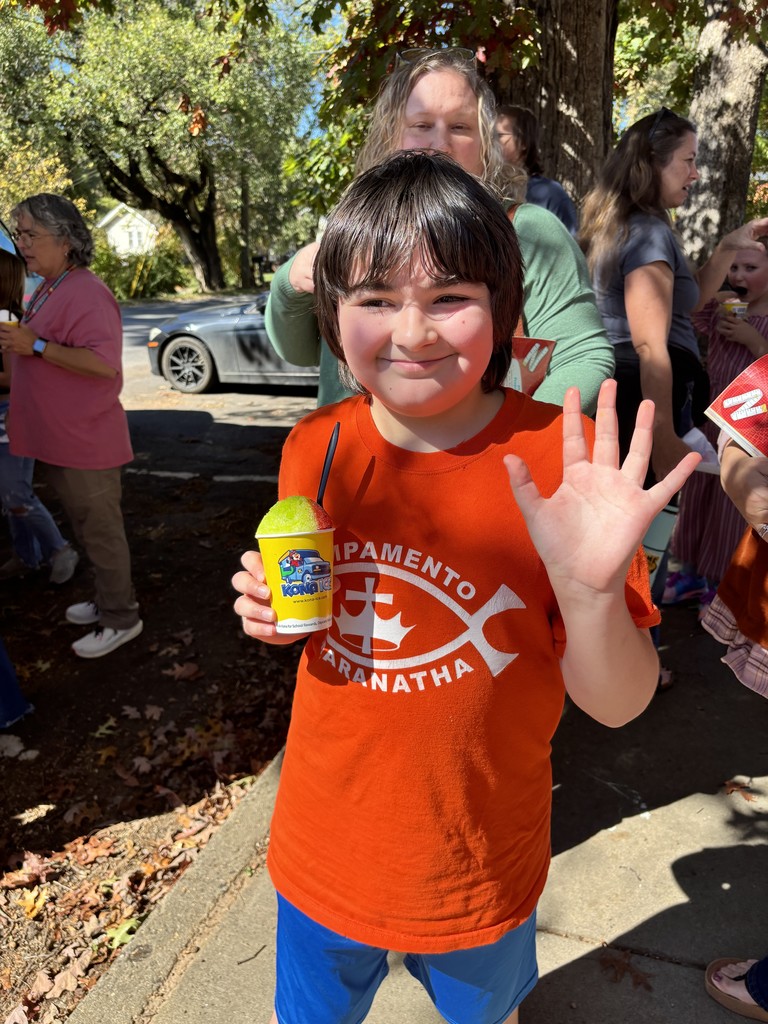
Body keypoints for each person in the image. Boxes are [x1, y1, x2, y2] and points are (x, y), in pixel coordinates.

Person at [232, 151, 699, 1024]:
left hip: (476, 866)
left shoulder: (558, 461)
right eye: (374, 299)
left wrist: (595, 596)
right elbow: (319, 613)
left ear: (503, 312)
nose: (412, 333)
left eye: (449, 297)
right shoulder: (315, 445)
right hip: (321, 851)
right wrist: (275, 615)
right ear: (335, 318)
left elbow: (620, 705)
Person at [266, 47, 613, 414]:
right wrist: (289, 284)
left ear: (485, 145)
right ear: (389, 135)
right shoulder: (353, 229)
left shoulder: (526, 231)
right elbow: (298, 351)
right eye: (421, 125)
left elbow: (583, 356)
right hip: (353, 464)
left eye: (460, 127)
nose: (440, 143)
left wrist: (514, 444)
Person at [0, 193, 142, 659]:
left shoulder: (85, 290)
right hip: (62, 439)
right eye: (19, 233)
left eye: (29, 235)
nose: (21, 243)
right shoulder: (49, 284)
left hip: (87, 441)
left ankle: (123, 618)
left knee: (101, 534)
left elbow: (104, 365)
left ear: (64, 240)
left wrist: (35, 346)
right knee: (87, 530)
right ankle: (106, 602)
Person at [665, 243, 768, 615]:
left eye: (750, 267)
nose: (739, 276)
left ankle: (718, 581)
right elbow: (690, 308)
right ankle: (688, 574)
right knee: (697, 494)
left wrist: (753, 340)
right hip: (712, 417)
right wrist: (715, 288)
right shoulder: (723, 307)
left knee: (729, 504)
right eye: (734, 267)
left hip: (749, 427)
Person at [0, 248, 78, 583]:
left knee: (15, 491)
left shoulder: (7, 319)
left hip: (11, 414)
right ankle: (27, 556)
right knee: (8, 493)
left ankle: (60, 549)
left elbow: (10, 378)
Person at [495, 104, 579, 235]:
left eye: (498, 135)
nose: (489, 141)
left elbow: (568, 251)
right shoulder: (484, 191)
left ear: (523, 142)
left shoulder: (551, 195)